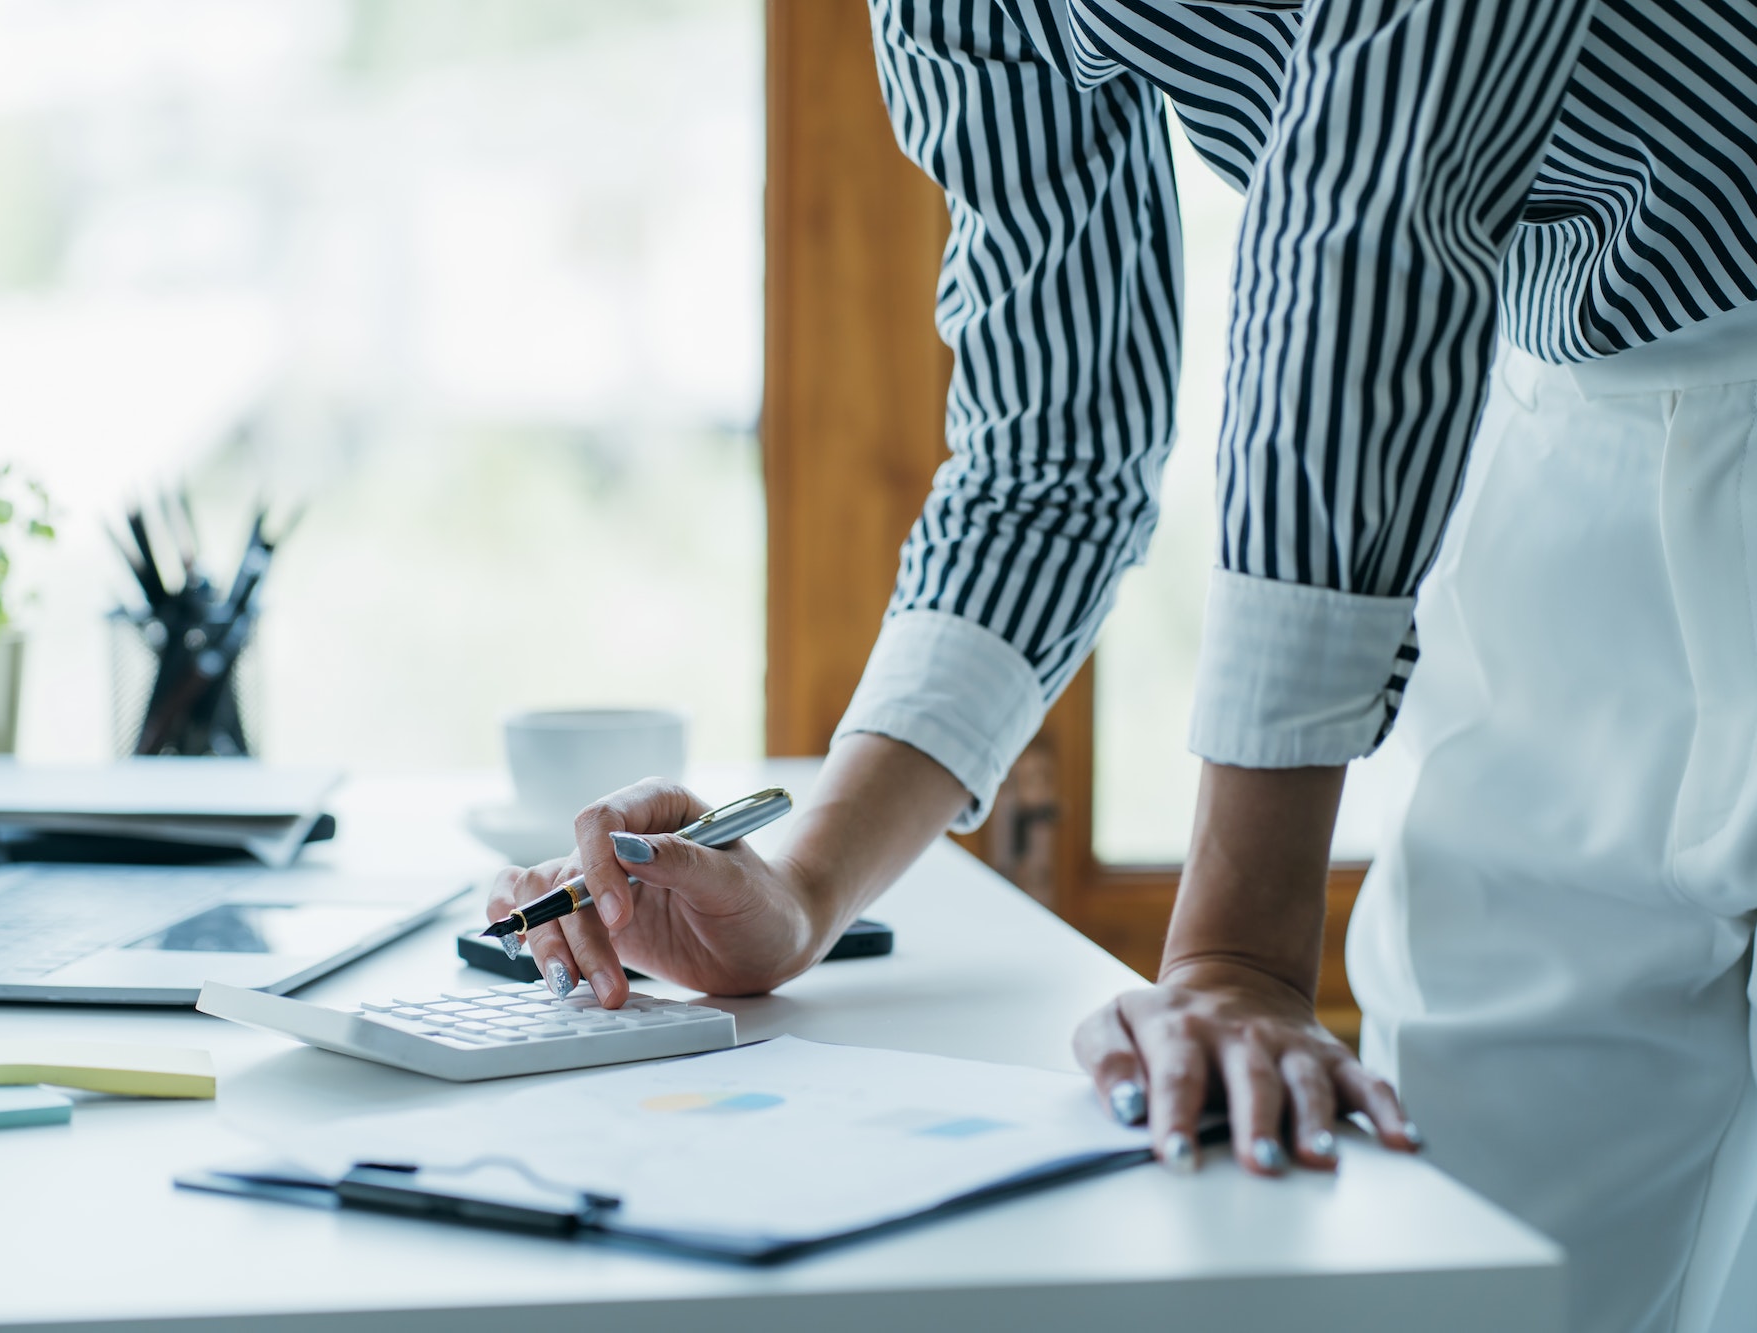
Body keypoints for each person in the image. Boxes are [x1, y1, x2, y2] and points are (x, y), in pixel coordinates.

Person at [488, 1, 1757, 1328]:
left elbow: (1372, 214)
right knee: (1480, 1270)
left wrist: (1237, 951)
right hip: (1565, 457)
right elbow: (1050, 450)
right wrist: (805, 888)